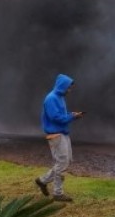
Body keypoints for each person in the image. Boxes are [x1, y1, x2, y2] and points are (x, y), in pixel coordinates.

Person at [35, 74, 84, 202]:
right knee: (62, 163)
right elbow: (55, 118)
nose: (69, 90)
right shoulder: (51, 98)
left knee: (65, 161)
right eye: (68, 87)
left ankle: (42, 181)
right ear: (63, 86)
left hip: (62, 133)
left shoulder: (59, 97)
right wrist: (72, 117)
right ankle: (57, 193)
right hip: (56, 134)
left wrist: (71, 114)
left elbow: (60, 115)